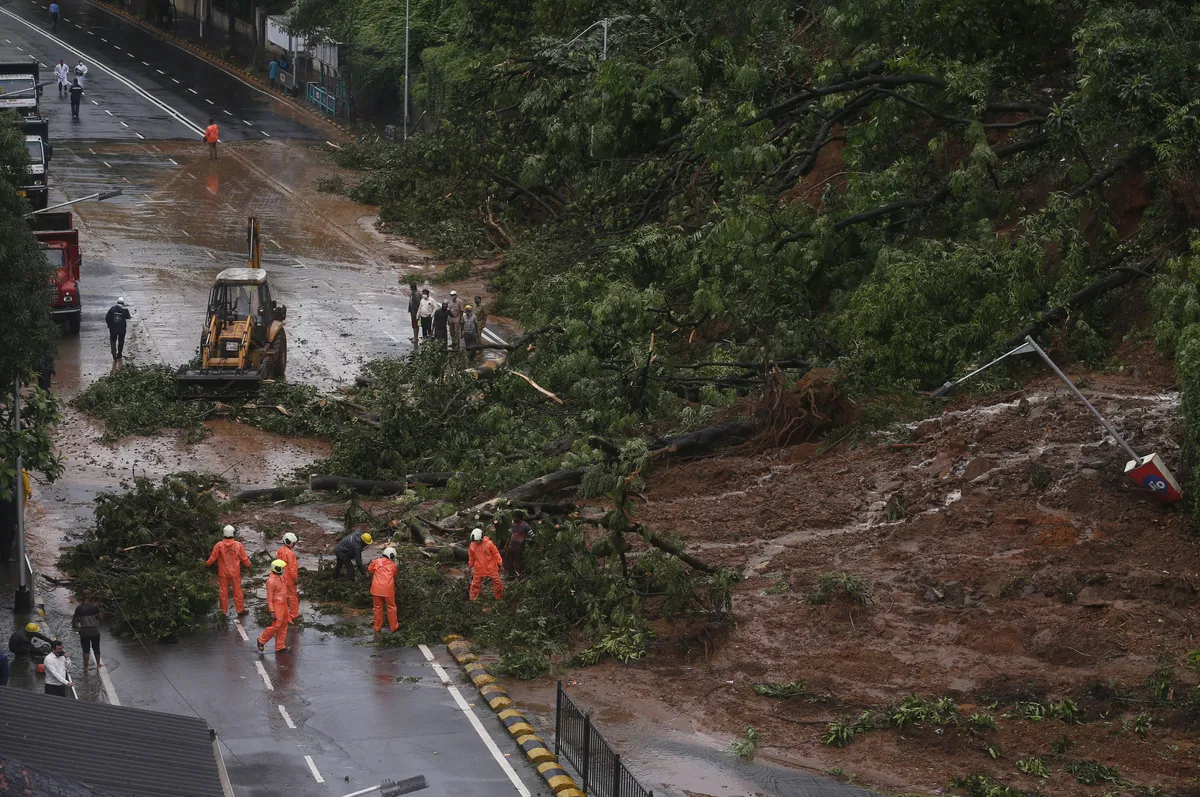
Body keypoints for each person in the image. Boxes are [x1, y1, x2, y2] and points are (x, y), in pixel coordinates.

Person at [206, 525, 251, 616]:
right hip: (235, 572)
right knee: (238, 591)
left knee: (223, 592)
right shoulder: (238, 545)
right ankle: (240, 610)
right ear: (233, 533)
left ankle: (223, 611)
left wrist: (206, 565)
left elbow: (212, 558)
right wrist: (249, 565)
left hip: (223, 572)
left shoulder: (219, 545)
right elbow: (244, 558)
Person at [257, 560, 291, 654]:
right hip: (277, 606)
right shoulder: (271, 581)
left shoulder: (280, 577)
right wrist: (271, 610)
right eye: (282, 568)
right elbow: (269, 598)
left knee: (284, 625)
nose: (284, 570)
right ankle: (261, 640)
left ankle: (280, 646)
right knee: (276, 626)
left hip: (283, 605)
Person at [368, 547, 399, 634]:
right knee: (391, 608)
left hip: (376, 589)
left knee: (377, 609)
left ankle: (377, 627)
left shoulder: (377, 561)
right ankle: (394, 627)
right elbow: (395, 575)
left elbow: (370, 569)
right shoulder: (393, 566)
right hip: (388, 590)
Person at [467, 528, 503, 601]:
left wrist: (500, 563)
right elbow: (471, 557)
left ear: (481, 537)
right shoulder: (472, 545)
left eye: (477, 541)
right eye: (475, 541)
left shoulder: (489, 543)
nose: (476, 542)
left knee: (498, 583)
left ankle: (499, 598)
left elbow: (496, 553)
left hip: (491, 567)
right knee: (475, 585)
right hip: (479, 568)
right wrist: (470, 566)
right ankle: (473, 599)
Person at [71, 590, 102, 671]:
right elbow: (100, 618)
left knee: (86, 650)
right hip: (94, 630)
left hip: (84, 631)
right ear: (90, 596)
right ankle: (98, 664)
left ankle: (86, 667)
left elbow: (75, 621)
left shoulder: (79, 608)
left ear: (82, 596)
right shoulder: (95, 607)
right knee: (96, 648)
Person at [276, 532, 300, 622]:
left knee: (283, 596)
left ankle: (282, 613)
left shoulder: (280, 551)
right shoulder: (290, 554)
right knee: (293, 596)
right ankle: (293, 614)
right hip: (289, 579)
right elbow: (292, 568)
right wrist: (295, 578)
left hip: (281, 577)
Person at [504, 511, 531, 580]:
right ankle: (510, 575)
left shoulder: (525, 526)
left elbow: (532, 536)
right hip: (511, 546)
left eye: (515, 517)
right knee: (508, 561)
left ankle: (521, 576)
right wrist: (506, 544)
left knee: (518, 562)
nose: (514, 519)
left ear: (519, 518)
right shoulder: (514, 524)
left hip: (519, 548)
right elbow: (511, 535)